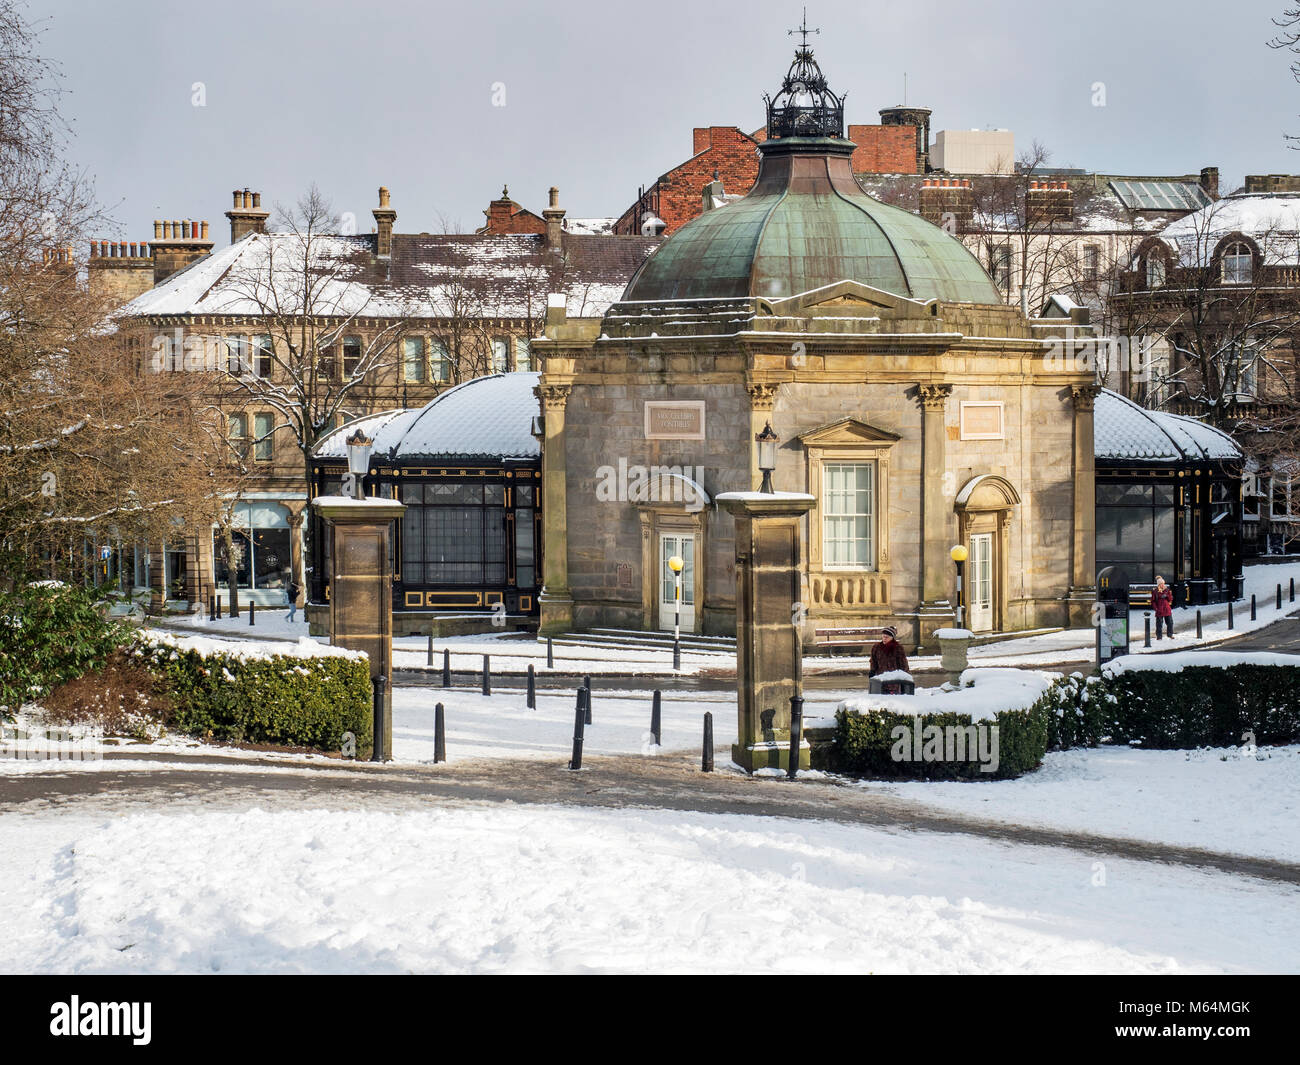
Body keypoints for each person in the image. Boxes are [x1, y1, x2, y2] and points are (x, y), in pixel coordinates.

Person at [869, 626, 910, 692]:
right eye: (883, 636)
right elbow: (873, 661)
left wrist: (905, 677)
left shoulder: (897, 648)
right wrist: (872, 671)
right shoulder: (876, 647)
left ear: (892, 638)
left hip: (893, 678)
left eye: (886, 637)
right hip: (880, 677)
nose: (884, 639)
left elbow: (903, 664)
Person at [1152, 575, 1174, 639]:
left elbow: (1170, 599)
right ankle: (1159, 636)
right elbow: (1153, 601)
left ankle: (1170, 635)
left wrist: (1167, 595)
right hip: (1159, 609)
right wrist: (1156, 608)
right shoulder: (1155, 591)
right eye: (1161, 584)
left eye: (1163, 583)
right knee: (1159, 624)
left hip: (1167, 609)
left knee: (1170, 622)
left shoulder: (1167, 590)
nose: (1162, 585)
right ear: (1158, 584)